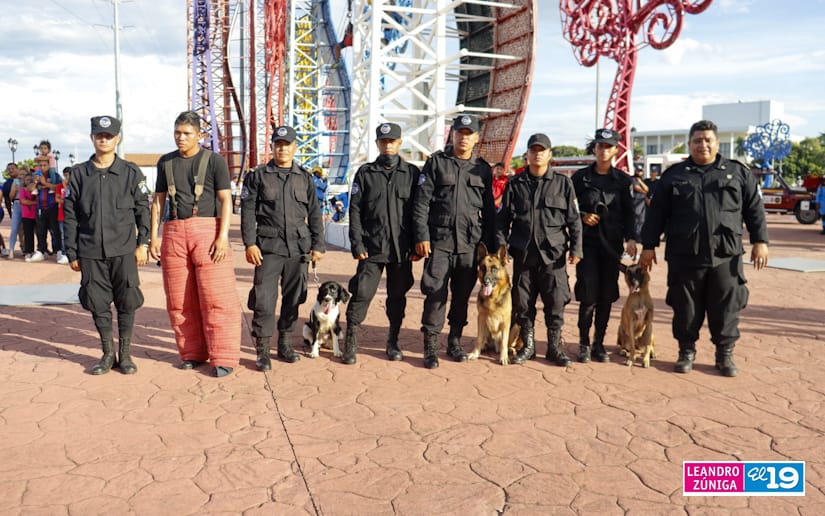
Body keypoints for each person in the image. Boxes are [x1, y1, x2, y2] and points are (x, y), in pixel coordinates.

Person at [640, 120, 769, 377]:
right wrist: (649, 245)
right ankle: (686, 352)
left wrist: (760, 241)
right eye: (697, 140)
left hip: (726, 255)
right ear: (690, 144)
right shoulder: (674, 175)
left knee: (727, 306)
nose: (703, 145)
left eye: (708, 140)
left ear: (717, 143)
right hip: (685, 254)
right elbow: (657, 213)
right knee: (685, 306)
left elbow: (754, 209)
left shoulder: (736, 172)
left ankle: (725, 354)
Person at [149, 111, 242, 378]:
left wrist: (222, 237)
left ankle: (223, 356)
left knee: (217, 298)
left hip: (208, 231)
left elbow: (226, 200)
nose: (181, 137)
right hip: (175, 232)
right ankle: (191, 353)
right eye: (177, 132)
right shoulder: (165, 162)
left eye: (187, 133)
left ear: (200, 135)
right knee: (179, 300)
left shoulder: (214, 161)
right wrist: (153, 237)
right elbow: (158, 201)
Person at [63, 115, 150, 375]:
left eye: (109, 136)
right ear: (92, 138)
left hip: (124, 250)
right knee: (97, 303)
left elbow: (143, 211)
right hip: (90, 250)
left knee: (127, 301)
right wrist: (72, 252)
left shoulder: (131, 172)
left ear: (117, 139)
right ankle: (107, 354)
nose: (104, 140)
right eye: (99, 136)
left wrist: (143, 244)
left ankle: (126, 355)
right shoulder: (79, 174)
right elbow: (70, 215)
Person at [412, 114, 496, 369]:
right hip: (440, 241)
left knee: (461, 295)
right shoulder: (437, 163)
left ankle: (455, 341)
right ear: (453, 134)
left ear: (476, 138)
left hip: (470, 245)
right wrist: (421, 235)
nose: (464, 138)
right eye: (460, 132)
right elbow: (421, 203)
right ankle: (430, 346)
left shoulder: (482, 169)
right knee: (435, 293)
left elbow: (489, 212)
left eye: (469, 134)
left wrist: (491, 248)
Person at [241, 125, 325, 370]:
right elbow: (247, 213)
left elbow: (315, 213)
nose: (282, 149)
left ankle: (285, 344)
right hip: (268, 247)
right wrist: (250, 243)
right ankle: (263, 350)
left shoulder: (304, 177)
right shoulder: (258, 176)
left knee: (294, 297)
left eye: (287, 145)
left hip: (299, 248)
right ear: (272, 147)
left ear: (294, 147)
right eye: (278, 145)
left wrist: (318, 245)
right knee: (264, 300)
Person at [497, 133, 583, 366]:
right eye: (533, 150)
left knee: (556, 301)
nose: (537, 154)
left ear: (549, 154)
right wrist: (502, 247)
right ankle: (529, 346)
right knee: (523, 303)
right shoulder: (515, 184)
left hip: (553, 254)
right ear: (527, 155)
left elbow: (574, 220)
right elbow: (502, 221)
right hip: (524, 254)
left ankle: (554, 348)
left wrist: (576, 248)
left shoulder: (563, 183)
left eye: (541, 150)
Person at [344, 122, 420, 364]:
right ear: (377, 143)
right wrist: (357, 243)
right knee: (361, 293)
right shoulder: (365, 173)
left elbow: (419, 211)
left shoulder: (412, 173)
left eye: (392, 141)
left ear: (400, 143)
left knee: (397, 297)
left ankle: (393, 341)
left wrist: (417, 243)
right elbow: (355, 210)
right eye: (384, 141)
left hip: (401, 249)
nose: (388, 145)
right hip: (372, 247)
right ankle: (350, 342)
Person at [571, 129, 637, 363]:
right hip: (587, 244)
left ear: (616, 150)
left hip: (611, 245)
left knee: (606, 295)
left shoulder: (623, 180)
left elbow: (630, 213)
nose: (603, 150)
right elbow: (568, 208)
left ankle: (598, 343)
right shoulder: (580, 178)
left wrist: (631, 238)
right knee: (588, 295)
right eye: (600, 146)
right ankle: (583, 343)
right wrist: (582, 216)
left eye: (608, 146)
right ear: (594, 148)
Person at [54, 167, 70, 264]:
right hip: (61, 214)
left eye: (68, 175)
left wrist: (64, 199)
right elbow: (57, 199)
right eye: (65, 175)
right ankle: (64, 254)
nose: (67, 178)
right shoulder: (59, 187)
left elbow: (72, 199)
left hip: (72, 215)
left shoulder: (75, 186)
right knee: (63, 235)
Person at [630, 164, 649, 241]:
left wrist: (641, 182)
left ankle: (640, 235)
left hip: (642, 201)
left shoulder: (641, 179)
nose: (639, 172)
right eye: (638, 171)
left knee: (642, 219)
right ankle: (636, 236)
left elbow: (647, 189)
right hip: (636, 200)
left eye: (640, 171)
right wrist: (644, 191)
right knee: (636, 219)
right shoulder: (633, 178)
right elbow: (636, 187)